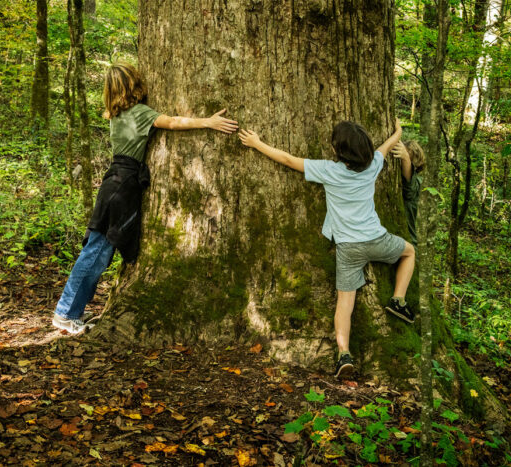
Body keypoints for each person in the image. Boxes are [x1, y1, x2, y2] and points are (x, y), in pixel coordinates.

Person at [53, 62, 238, 335]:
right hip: (121, 187)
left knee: (99, 253)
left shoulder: (114, 114)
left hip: (113, 183)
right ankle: (65, 313)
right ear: (133, 86)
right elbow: (173, 122)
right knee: (96, 253)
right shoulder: (139, 113)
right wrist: (208, 122)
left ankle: (71, 311)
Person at [238, 119, 416, 379]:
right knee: (409, 251)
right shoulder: (373, 166)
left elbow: (288, 159)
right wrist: (398, 132)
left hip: (348, 247)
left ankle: (344, 353)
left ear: (338, 151)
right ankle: (398, 299)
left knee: (345, 302)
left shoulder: (328, 171)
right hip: (377, 239)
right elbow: (384, 148)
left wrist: (257, 144)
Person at [392, 141, 425, 246]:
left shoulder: (416, 183)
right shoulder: (397, 179)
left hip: (407, 241)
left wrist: (405, 158)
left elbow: (409, 190)